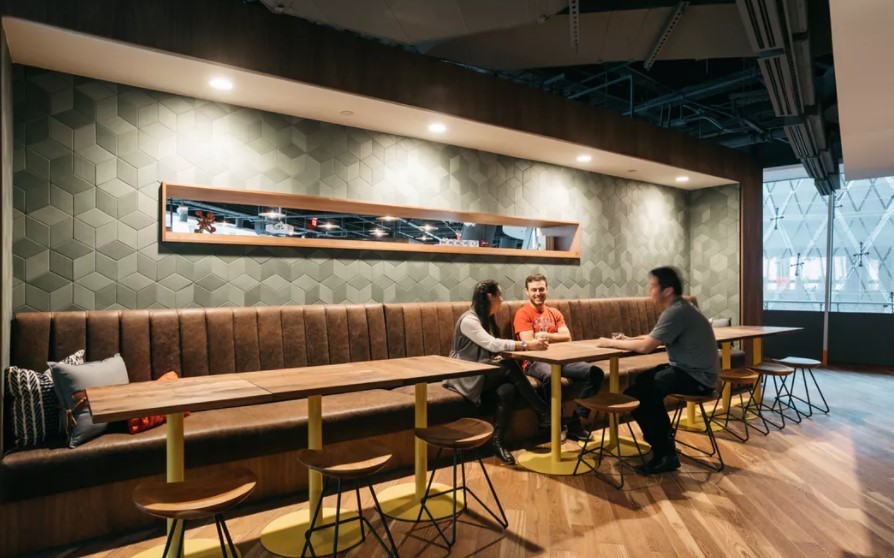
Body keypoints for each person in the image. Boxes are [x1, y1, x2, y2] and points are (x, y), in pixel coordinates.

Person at [595, 266, 719, 474]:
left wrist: (609, 343)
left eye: (653, 286)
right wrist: (628, 339)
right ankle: (664, 440)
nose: (649, 290)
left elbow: (646, 347)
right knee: (643, 381)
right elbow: (654, 338)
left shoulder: (676, 311)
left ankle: (665, 453)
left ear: (667, 290)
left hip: (698, 378)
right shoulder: (681, 308)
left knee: (639, 394)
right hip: (694, 372)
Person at [444, 280, 551, 465]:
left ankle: (498, 442)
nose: (502, 299)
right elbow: (492, 344)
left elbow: (491, 351)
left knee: (507, 390)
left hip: (480, 374)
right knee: (509, 365)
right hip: (463, 377)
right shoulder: (469, 320)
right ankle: (543, 410)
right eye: (499, 295)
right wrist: (526, 345)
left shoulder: (487, 320)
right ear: (489, 297)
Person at [513, 273, 604, 441]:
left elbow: (567, 337)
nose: (538, 293)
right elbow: (529, 342)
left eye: (541, 289)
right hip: (535, 362)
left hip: (563, 360)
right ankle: (557, 423)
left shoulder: (554, 312)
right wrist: (552, 336)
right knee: (550, 376)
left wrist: (545, 335)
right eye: (533, 290)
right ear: (526, 291)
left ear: (547, 289)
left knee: (595, 372)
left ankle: (575, 422)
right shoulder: (523, 313)